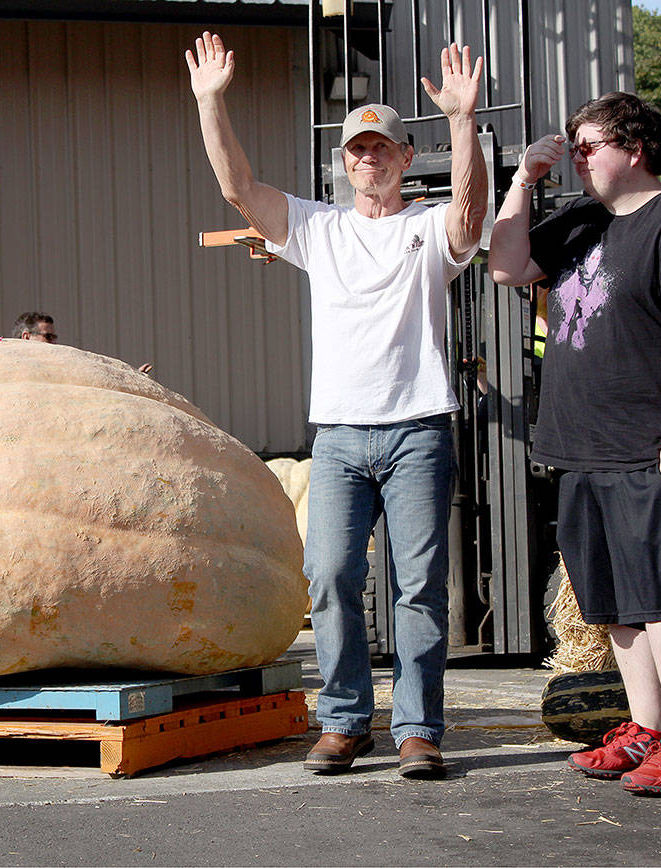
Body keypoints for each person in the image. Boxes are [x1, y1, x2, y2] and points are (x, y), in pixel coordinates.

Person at [187, 33, 488, 778]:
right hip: (342, 436)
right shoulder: (318, 228)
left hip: (418, 428)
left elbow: (470, 213)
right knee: (327, 574)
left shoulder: (425, 228)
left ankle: (418, 729)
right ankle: (347, 721)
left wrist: (463, 120)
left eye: (382, 147)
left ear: (403, 158)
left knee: (418, 587)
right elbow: (236, 188)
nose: (369, 159)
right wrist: (209, 100)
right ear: (344, 161)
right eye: (358, 149)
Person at [489, 92, 661, 796]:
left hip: (649, 444)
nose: (578, 157)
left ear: (634, 148)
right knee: (615, 601)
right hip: (582, 447)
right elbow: (506, 266)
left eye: (589, 145)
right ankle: (646, 728)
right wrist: (522, 182)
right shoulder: (580, 222)